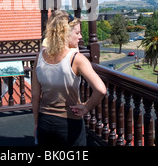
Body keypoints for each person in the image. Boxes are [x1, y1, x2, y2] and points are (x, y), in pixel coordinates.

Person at [32, 10, 106, 146]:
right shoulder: (76, 59)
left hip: (45, 122)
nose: (80, 37)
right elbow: (101, 90)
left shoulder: (40, 56)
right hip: (69, 123)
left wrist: (36, 122)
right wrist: (86, 107)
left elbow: (35, 94)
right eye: (77, 33)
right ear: (64, 34)